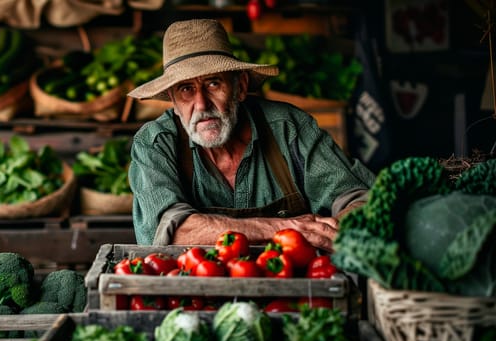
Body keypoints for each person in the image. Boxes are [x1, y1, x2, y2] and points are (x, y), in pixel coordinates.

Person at [127, 18, 375, 251]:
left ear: (241, 86)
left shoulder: (288, 127)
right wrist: (288, 228)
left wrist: (340, 227)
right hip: (192, 293)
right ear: (172, 99)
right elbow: (173, 234)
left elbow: (357, 197)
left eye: (213, 83)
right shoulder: (155, 144)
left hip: (294, 288)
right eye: (186, 89)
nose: (201, 104)